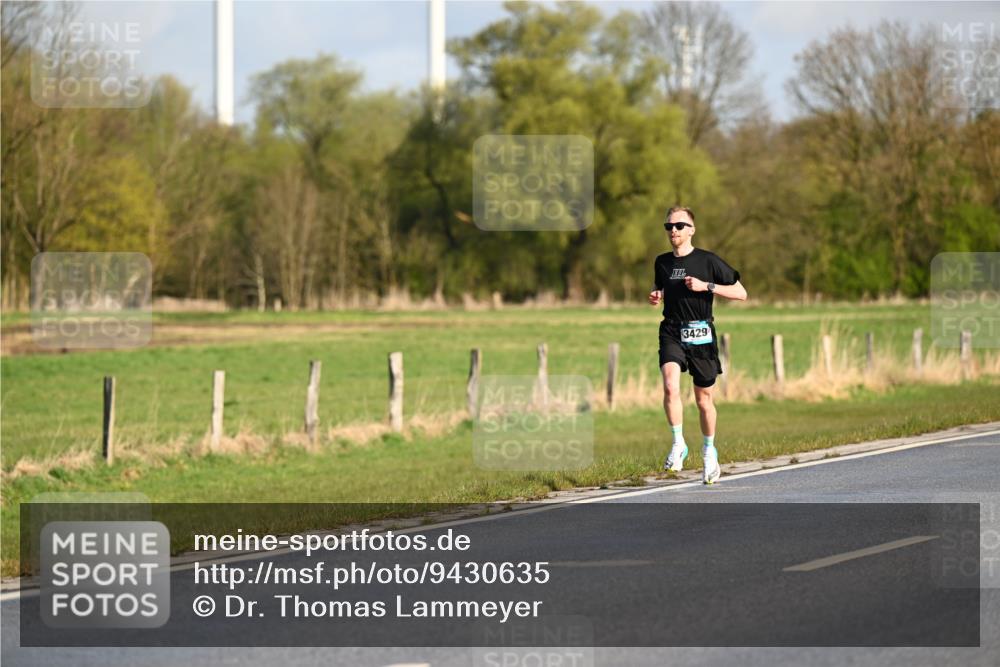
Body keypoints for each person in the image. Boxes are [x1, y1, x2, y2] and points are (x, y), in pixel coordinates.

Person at [648, 206, 747, 484]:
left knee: (704, 400)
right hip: (671, 330)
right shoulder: (662, 262)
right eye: (669, 227)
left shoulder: (708, 261)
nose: (674, 231)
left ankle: (708, 451)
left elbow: (741, 293)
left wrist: (708, 287)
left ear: (691, 229)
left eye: (679, 226)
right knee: (669, 384)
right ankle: (678, 443)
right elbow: (664, 289)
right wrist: (658, 295)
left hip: (701, 333)